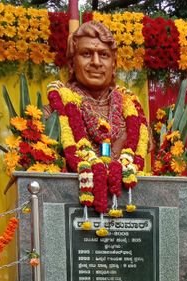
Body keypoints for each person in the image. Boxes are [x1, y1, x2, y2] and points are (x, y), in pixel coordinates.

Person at [46, 20, 150, 171]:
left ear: (113, 65)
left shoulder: (136, 118)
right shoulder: (53, 115)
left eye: (103, 55)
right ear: (71, 64)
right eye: (86, 54)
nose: (96, 62)